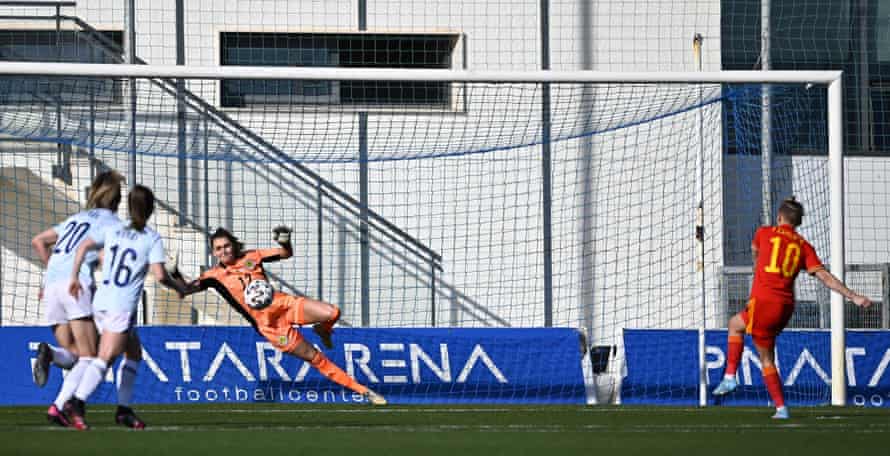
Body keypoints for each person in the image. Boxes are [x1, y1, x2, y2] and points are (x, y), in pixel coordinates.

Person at [170, 227, 386, 405]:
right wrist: (174, 273)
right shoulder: (213, 276)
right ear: (214, 253)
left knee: (332, 312)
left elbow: (285, 253)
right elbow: (186, 290)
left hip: (285, 305)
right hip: (272, 328)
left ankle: (323, 329)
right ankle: (364, 392)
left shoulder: (252, 256)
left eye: (227, 245)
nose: (224, 250)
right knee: (316, 358)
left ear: (234, 245)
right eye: (219, 248)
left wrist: (285, 241)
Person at [712, 197, 872, 419]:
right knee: (736, 324)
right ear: (798, 222)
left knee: (765, 358)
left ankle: (762, 396)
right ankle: (750, 389)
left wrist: (760, 270)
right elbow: (824, 277)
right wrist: (853, 296)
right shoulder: (804, 246)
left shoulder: (764, 233)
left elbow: (756, 254)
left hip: (764, 301)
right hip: (786, 306)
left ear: (779, 217)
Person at [30, 170, 149, 429]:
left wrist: (54, 273)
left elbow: (38, 241)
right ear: (118, 202)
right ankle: (62, 406)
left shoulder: (76, 219)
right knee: (89, 356)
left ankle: (51, 361)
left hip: (51, 288)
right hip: (78, 287)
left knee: (76, 353)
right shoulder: (114, 225)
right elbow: (110, 259)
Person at [64, 185, 186, 430]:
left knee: (133, 353)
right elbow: (160, 275)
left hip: (102, 300)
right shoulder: (151, 237)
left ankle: (124, 409)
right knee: (105, 358)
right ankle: (75, 403)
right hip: (121, 305)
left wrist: (75, 275)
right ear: (151, 209)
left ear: (128, 207)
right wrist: (178, 287)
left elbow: (87, 247)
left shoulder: (114, 229)